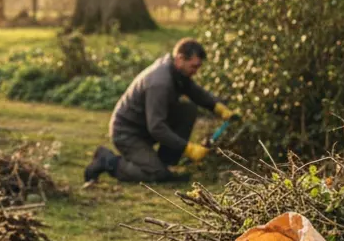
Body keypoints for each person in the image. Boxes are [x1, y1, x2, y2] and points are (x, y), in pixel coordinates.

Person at [84, 38, 237, 184]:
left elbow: (195, 92)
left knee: (187, 110)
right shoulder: (160, 83)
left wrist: (218, 107)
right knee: (155, 173)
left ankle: (167, 163)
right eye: (194, 66)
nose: (196, 71)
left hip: (144, 127)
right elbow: (156, 127)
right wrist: (187, 148)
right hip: (127, 133)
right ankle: (107, 161)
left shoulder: (176, 71)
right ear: (180, 58)